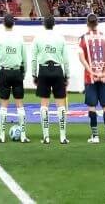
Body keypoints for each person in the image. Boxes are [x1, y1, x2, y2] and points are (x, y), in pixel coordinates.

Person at [30, 16, 69, 144]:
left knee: (44, 104)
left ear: (44, 24)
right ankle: (62, 137)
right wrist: (67, 75)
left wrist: (34, 74)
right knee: (61, 105)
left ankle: (46, 137)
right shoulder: (60, 38)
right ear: (54, 24)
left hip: (43, 70)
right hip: (57, 70)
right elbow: (66, 60)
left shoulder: (38, 38)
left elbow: (34, 58)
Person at [78, 16, 105, 143]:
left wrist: (91, 71)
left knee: (91, 106)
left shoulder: (83, 39)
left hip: (90, 78)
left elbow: (81, 58)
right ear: (97, 23)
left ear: (87, 24)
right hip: (103, 77)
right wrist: (104, 72)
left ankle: (95, 136)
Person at [0, 14, 28, 141]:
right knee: (20, 105)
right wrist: (24, 72)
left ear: (3, 23)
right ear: (14, 23)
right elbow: (24, 58)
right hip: (17, 72)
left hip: (4, 72)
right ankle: (23, 136)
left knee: (3, 105)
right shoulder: (19, 38)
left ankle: (2, 136)